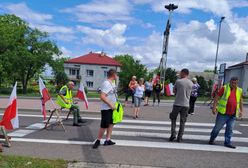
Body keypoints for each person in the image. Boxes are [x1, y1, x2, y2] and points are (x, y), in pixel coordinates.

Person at [209, 77, 243, 149]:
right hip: (223, 113)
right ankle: (212, 139)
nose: (234, 84)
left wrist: (241, 111)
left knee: (230, 129)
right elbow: (217, 97)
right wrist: (214, 107)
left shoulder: (239, 90)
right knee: (217, 128)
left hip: (233, 114)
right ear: (230, 82)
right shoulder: (225, 88)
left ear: (237, 83)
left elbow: (240, 101)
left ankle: (227, 142)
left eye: (235, 83)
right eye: (232, 83)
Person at [93, 69, 118, 149]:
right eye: (116, 75)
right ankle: (98, 140)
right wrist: (111, 105)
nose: (117, 76)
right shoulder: (107, 83)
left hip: (111, 107)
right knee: (104, 125)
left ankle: (108, 140)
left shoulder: (112, 83)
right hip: (106, 108)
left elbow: (101, 90)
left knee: (111, 123)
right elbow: (102, 96)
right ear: (114, 75)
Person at [169, 69, 193, 142]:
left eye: (180, 73)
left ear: (183, 73)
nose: (179, 74)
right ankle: (180, 137)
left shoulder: (178, 81)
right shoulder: (191, 83)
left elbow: (174, 91)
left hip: (177, 103)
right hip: (186, 104)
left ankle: (173, 134)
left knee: (173, 119)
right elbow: (191, 93)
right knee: (182, 122)